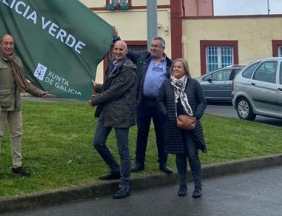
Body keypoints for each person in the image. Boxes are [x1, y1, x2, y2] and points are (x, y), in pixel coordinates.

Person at [0, 33, 48, 179]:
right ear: (1, 44)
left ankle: (17, 165)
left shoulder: (17, 60)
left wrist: (39, 93)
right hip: (0, 105)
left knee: (17, 134)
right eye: (6, 43)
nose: (8, 46)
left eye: (11, 44)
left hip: (15, 104)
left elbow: (23, 83)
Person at [89, 39, 137, 199]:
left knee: (123, 150)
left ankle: (125, 184)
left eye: (121, 50)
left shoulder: (129, 70)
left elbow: (115, 91)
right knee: (98, 142)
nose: (117, 52)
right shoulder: (114, 64)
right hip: (108, 111)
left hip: (121, 114)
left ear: (126, 52)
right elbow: (109, 88)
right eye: (115, 49)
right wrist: (97, 87)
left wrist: (95, 99)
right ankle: (115, 169)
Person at [157, 58, 207, 198]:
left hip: (191, 126)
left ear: (185, 69)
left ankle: (198, 186)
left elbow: (203, 101)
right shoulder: (167, 85)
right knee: (180, 156)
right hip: (174, 125)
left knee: (192, 155)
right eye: (174, 67)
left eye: (179, 67)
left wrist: (196, 115)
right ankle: (182, 185)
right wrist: (167, 114)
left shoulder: (193, 84)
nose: (176, 69)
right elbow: (159, 101)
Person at [124, 36, 174, 174]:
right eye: (151, 46)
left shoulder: (170, 64)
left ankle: (163, 162)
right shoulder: (143, 58)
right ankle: (139, 162)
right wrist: (116, 37)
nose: (152, 48)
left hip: (160, 104)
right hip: (143, 102)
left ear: (163, 48)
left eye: (156, 46)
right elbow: (127, 51)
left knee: (161, 133)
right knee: (142, 133)